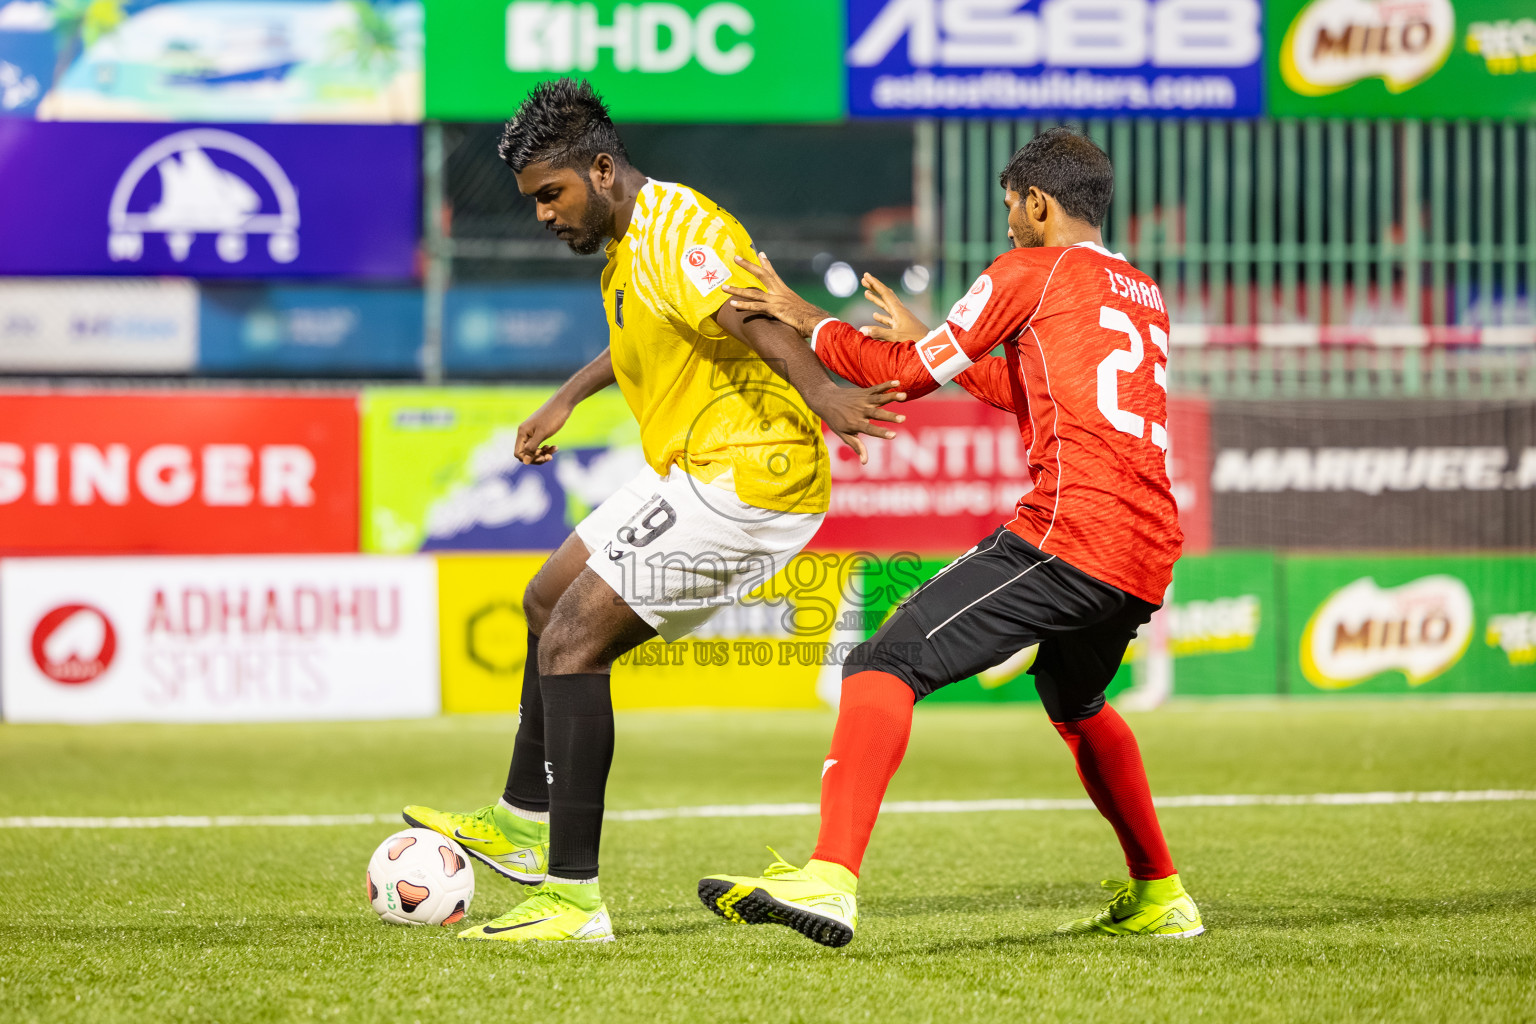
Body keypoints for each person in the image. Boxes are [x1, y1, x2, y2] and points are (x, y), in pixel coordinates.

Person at [402, 79, 904, 944]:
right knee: (544, 599)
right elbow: (643, 335)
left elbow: (752, 319)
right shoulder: (630, 243)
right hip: (697, 465)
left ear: (602, 169)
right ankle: (522, 822)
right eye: (534, 202)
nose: (544, 216)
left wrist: (826, 392)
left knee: (571, 643)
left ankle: (572, 900)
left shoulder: (682, 229)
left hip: (755, 477)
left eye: (552, 195)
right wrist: (566, 398)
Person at [697, 127, 1201, 947]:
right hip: (1146, 548)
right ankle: (1162, 895)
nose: (1006, 222)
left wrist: (804, 316)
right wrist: (927, 337)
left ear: (1038, 202)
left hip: (1072, 533)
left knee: (883, 661)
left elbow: (896, 374)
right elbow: (1031, 388)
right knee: (1076, 700)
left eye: (1011, 205)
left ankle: (828, 879)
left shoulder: (1029, 269)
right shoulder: (1140, 290)